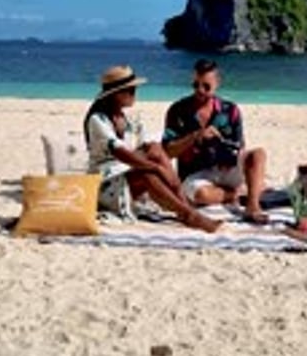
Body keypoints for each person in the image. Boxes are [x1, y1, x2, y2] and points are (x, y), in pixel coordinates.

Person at [83, 65, 221, 233]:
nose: (135, 93)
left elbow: (140, 149)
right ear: (116, 94)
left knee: (154, 148)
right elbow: (120, 153)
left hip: (125, 173)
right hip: (105, 183)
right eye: (131, 90)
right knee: (148, 173)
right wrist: (155, 168)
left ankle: (182, 202)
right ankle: (188, 213)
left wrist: (155, 159)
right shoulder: (98, 119)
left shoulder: (128, 119)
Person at [162, 58, 268, 223]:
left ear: (217, 83)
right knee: (202, 195)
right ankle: (240, 193)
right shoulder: (177, 111)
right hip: (196, 174)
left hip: (226, 167)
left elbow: (240, 145)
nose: (200, 90)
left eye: (206, 86)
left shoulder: (230, 110)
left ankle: (252, 205)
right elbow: (167, 151)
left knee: (258, 154)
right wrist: (195, 136)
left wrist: (226, 153)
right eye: (196, 85)